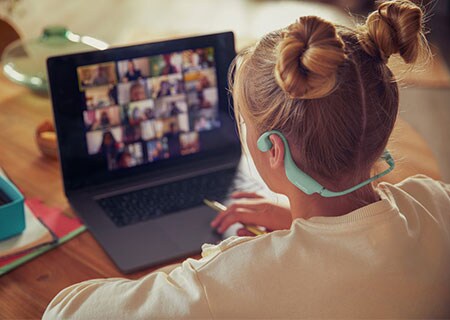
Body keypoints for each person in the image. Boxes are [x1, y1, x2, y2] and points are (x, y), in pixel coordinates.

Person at [43, 1, 450, 318]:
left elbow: (63, 312)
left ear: (274, 150)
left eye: (242, 122)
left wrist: (198, 277)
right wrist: (299, 223)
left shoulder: (233, 280)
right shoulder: (436, 202)